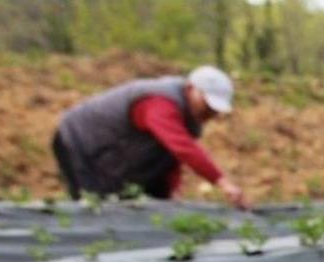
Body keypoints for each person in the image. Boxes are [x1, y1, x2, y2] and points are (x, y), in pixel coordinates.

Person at [52, 66, 249, 209]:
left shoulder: (190, 118)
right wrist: (222, 182)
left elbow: (170, 158)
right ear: (190, 89)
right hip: (81, 142)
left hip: (117, 151)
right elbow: (182, 147)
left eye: (214, 110)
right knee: (95, 205)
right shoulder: (160, 102)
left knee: (142, 204)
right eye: (207, 104)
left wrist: (172, 193)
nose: (210, 113)